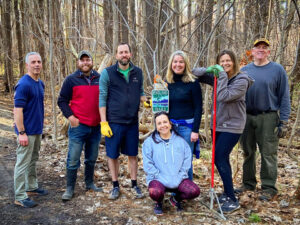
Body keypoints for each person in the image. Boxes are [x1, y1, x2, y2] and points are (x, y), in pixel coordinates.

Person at [193, 50, 254, 213]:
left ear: (234, 62)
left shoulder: (242, 80)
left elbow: (223, 96)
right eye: (222, 61)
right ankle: (228, 193)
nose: (225, 64)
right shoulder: (219, 75)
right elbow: (193, 73)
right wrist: (211, 69)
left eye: (228, 61)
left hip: (233, 126)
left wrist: (219, 75)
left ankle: (233, 200)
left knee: (219, 157)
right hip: (218, 125)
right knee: (220, 158)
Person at [239, 38, 291, 201]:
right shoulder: (244, 70)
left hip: (268, 117)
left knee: (268, 153)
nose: (261, 50)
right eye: (257, 47)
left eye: (264, 47)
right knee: (248, 152)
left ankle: (269, 187)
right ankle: (248, 183)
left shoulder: (277, 70)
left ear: (269, 51)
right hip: (246, 116)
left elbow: (284, 96)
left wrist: (283, 120)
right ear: (252, 52)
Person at [99, 43, 146, 200]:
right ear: (116, 55)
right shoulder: (108, 73)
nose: (124, 55)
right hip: (114, 122)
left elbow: (140, 92)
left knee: (132, 154)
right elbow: (102, 97)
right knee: (113, 155)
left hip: (132, 122)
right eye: (121, 52)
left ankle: (134, 184)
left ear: (130, 54)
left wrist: (146, 101)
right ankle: (115, 185)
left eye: (126, 52)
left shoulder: (137, 72)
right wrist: (103, 122)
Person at [58, 50, 102, 201]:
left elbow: (106, 99)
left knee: (91, 158)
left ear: (91, 61)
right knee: (73, 158)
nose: (85, 63)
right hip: (78, 126)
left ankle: (89, 183)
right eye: (82, 60)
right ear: (78, 63)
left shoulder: (100, 78)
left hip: (96, 127)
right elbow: (62, 100)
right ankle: (70, 188)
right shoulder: (71, 80)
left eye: (87, 60)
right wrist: (70, 116)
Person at [142, 111, 200, 215]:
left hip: (178, 179)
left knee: (194, 191)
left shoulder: (181, 141)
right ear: (156, 126)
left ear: (170, 124)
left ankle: (176, 199)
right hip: (158, 179)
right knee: (155, 192)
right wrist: (159, 176)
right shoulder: (149, 142)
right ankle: (158, 202)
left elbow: (187, 161)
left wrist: (180, 176)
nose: (163, 125)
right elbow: (147, 164)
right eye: (159, 123)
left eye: (165, 122)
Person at [13, 52, 48, 208]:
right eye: (33, 62)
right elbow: (17, 110)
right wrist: (21, 132)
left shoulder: (40, 83)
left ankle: (31, 187)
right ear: (27, 65)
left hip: (37, 130)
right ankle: (20, 196)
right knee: (22, 163)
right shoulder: (23, 84)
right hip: (26, 132)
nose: (36, 64)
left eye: (39, 61)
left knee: (33, 160)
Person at [166, 50, 202, 180]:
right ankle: (174, 189)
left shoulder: (193, 82)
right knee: (171, 159)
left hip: (187, 128)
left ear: (185, 64)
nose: (178, 64)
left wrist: (195, 130)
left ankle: (187, 190)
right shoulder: (166, 83)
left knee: (185, 161)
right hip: (170, 128)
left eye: (181, 62)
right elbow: (162, 107)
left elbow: (199, 107)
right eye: (175, 61)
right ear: (171, 64)